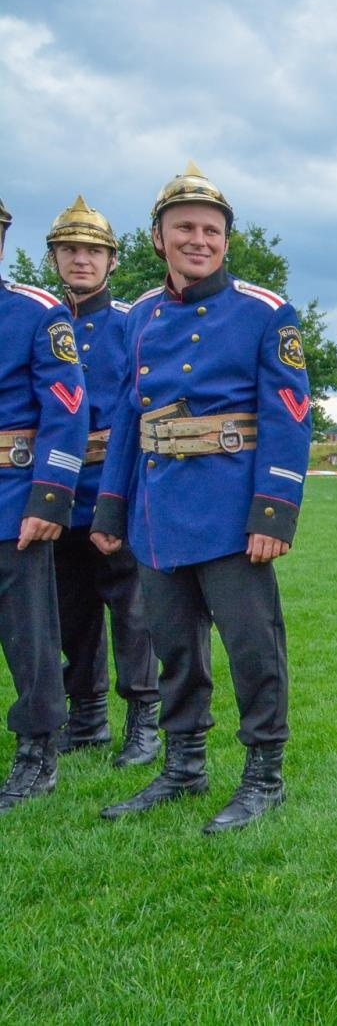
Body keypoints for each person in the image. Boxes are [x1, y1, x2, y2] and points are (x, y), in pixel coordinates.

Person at [92, 162, 314, 834]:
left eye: (210, 230)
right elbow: (131, 416)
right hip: (158, 512)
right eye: (183, 227)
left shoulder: (265, 312)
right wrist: (110, 505)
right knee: (174, 648)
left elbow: (289, 413)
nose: (198, 239)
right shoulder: (142, 317)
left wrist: (273, 512)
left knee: (252, 648)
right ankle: (184, 766)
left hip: (231, 508)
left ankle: (263, 777)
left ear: (226, 240)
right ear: (158, 237)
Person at [44, 196, 161, 767]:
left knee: (133, 611)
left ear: (113, 261)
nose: (82, 260)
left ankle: (143, 721)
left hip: (118, 486)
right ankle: (86, 717)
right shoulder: (44, 324)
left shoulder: (129, 323)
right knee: (73, 608)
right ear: (54, 259)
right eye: (70, 250)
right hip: (58, 493)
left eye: (93, 251)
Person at [0, 193, 89, 814]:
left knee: (28, 639)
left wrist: (51, 500)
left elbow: (68, 410)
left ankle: (38, 751)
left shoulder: (37, 312)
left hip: (11, 501)